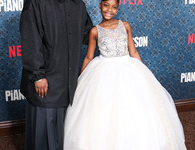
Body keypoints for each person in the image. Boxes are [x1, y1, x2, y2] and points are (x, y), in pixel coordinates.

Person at [64, 0, 187, 149]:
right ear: (100, 6)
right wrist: (81, 81)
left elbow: (133, 51)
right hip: (103, 71)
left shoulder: (125, 25)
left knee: (133, 111)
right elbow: (89, 57)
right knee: (105, 112)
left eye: (114, 7)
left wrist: (144, 75)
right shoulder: (95, 31)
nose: (109, 9)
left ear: (118, 8)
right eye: (106, 5)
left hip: (127, 67)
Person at [19, 0, 93, 149]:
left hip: (68, 82)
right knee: (44, 133)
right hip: (46, 82)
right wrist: (38, 75)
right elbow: (31, 38)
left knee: (65, 132)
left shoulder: (78, 4)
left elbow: (87, 33)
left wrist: (108, 30)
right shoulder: (35, 2)